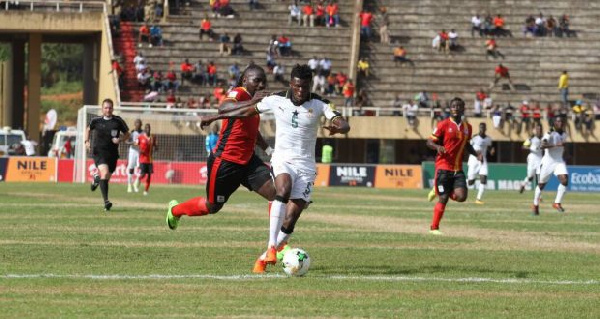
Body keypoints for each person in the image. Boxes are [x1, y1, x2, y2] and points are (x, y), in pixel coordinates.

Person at [201, 64, 350, 273]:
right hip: (283, 159)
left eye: (305, 87)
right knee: (283, 188)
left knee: (293, 215)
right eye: (297, 86)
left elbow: (343, 123)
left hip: (306, 165)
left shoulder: (319, 103)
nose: (300, 91)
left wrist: (339, 128)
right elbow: (245, 111)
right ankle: (272, 247)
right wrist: (215, 118)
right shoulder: (276, 99)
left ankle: (263, 258)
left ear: (310, 85)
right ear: (291, 84)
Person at [165, 64, 276, 245]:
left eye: (264, 81)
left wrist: (270, 151)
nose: (262, 85)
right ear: (245, 80)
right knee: (212, 206)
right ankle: (175, 210)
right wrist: (252, 101)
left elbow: (252, 132)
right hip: (226, 161)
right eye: (257, 80)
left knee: (275, 192)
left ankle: (276, 245)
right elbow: (224, 108)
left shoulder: (254, 104)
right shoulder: (238, 93)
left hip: (248, 161)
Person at [426, 97, 479, 234]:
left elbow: (467, 144)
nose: (455, 108)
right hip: (443, 165)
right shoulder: (443, 124)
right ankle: (434, 228)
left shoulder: (468, 127)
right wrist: (437, 147)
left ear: (463, 109)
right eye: (453, 106)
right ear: (450, 109)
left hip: (457, 168)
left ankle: (439, 189)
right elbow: (429, 142)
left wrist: (476, 154)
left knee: (462, 197)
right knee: (443, 198)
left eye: (458, 106)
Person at [84, 99, 130, 211]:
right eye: (106, 108)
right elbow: (88, 129)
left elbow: (127, 134)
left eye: (110, 108)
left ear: (113, 108)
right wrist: (86, 141)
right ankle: (106, 202)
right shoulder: (96, 120)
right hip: (99, 151)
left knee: (106, 178)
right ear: (102, 109)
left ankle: (96, 180)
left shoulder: (118, 121)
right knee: (104, 173)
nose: (108, 110)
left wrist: (120, 139)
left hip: (113, 154)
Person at [532, 116, 569, 215]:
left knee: (565, 180)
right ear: (554, 123)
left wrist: (567, 154)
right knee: (541, 185)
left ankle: (557, 203)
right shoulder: (549, 133)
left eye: (561, 121)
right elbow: (542, 146)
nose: (560, 122)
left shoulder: (565, 134)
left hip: (559, 161)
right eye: (558, 121)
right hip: (548, 162)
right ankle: (535, 204)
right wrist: (555, 145)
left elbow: (563, 146)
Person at [466, 122, 494, 204]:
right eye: (480, 127)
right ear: (479, 128)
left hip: (483, 160)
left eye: (483, 128)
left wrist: (491, 151)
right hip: (474, 160)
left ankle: (478, 199)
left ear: (485, 129)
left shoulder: (488, 139)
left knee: (483, 178)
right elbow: (468, 147)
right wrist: (476, 153)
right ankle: (459, 185)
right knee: (470, 182)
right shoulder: (474, 137)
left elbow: (489, 147)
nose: (482, 129)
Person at [519, 122, 543, 194]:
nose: (538, 130)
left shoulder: (544, 138)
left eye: (539, 129)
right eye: (537, 129)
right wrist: (531, 148)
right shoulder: (531, 138)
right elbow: (523, 146)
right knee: (530, 176)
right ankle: (523, 185)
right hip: (532, 158)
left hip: (540, 158)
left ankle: (539, 196)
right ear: (534, 130)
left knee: (539, 178)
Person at [134, 123, 158, 196]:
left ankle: (146, 191)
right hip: (142, 159)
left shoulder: (152, 137)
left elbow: (155, 146)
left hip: (150, 159)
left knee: (149, 175)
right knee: (143, 174)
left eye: (149, 128)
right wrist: (140, 150)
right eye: (147, 128)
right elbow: (135, 144)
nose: (148, 129)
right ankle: (137, 180)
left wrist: (156, 146)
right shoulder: (140, 137)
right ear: (144, 129)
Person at [126, 119, 143, 193]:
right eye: (136, 123)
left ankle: (136, 183)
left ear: (141, 124)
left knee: (141, 168)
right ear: (134, 124)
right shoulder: (132, 132)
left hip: (140, 151)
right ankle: (129, 185)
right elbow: (126, 141)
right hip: (132, 151)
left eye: (139, 123)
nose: (137, 124)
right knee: (131, 168)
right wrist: (132, 143)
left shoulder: (143, 133)